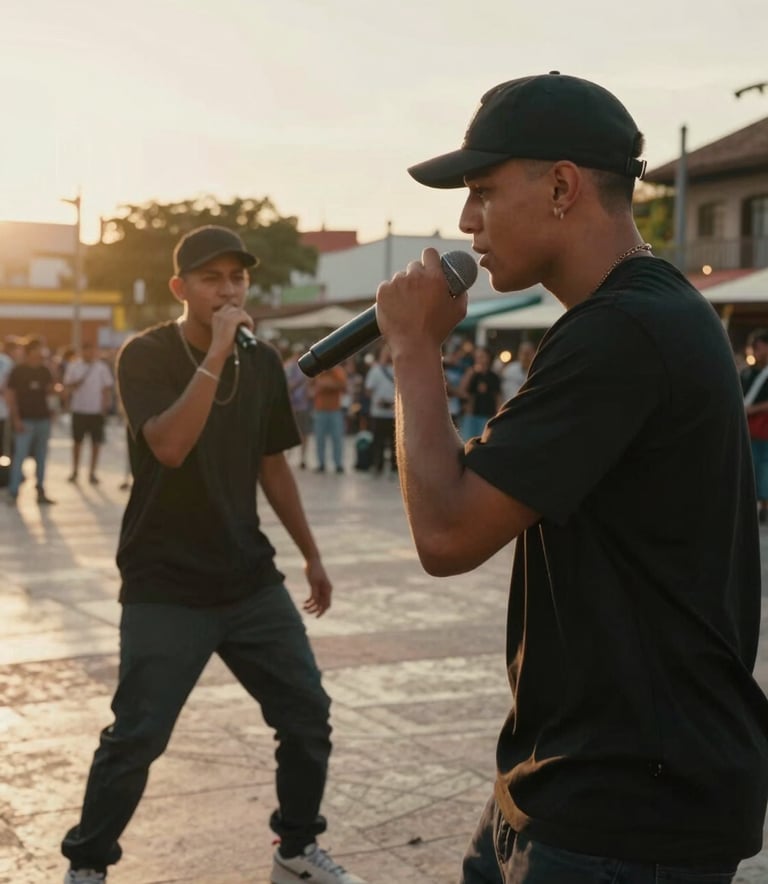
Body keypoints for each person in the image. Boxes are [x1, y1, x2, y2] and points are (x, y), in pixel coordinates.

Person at [374, 72, 768, 883]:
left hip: (627, 810)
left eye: (483, 190)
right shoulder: (635, 315)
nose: (465, 222)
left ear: (561, 186)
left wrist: (414, 349)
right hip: (570, 779)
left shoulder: (624, 331)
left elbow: (447, 534)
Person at [60, 226, 366, 884]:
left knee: (307, 714)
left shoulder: (259, 362)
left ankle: (295, 846)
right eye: (211, 279)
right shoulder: (144, 356)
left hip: (247, 579)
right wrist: (217, 351)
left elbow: (272, 465)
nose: (228, 291)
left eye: (237, 279)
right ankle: (87, 864)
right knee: (137, 736)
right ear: (181, 289)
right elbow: (169, 447)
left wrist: (311, 554)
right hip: (164, 582)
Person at [5, 336, 57, 505]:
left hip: (43, 419)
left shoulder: (44, 370)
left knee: (41, 457)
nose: (41, 352)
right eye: (39, 349)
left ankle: (40, 490)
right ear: (31, 351)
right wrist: (16, 419)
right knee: (20, 456)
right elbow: (10, 396)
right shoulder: (18, 371)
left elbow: (51, 392)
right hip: (25, 420)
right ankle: (13, 492)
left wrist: (53, 412)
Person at [63, 342, 115, 485]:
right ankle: (75, 470)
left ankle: (92, 472)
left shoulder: (101, 368)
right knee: (77, 442)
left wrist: (105, 407)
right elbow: (67, 386)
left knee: (96, 442)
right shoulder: (74, 366)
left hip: (96, 411)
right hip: (79, 410)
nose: (91, 353)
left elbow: (106, 389)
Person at [741, 328, 768, 523]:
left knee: (763, 467)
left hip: (763, 427)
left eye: (758, 347)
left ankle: (765, 507)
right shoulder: (749, 372)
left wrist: (753, 409)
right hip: (750, 428)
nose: (755, 351)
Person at [364, 343, 397, 476]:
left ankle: (395, 468)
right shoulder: (375, 370)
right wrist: (380, 401)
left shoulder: (398, 368)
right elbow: (368, 390)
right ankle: (378, 465)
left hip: (394, 413)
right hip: (378, 413)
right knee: (378, 441)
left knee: (395, 443)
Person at [458, 345, 501, 440]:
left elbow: (497, 397)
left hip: (488, 415)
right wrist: (471, 372)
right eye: (477, 357)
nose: (479, 359)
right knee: (467, 441)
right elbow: (461, 390)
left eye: (482, 356)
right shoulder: (471, 373)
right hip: (472, 414)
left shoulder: (494, 376)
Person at [310, 365, 347, 473]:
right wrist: (329, 385)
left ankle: (338, 464)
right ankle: (321, 463)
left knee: (337, 438)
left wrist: (325, 385)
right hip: (320, 410)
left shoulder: (338, 371)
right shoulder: (318, 371)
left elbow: (343, 385)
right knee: (319, 438)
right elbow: (312, 386)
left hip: (335, 410)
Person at [284, 341, 313, 469]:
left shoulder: (308, 366)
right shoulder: (289, 367)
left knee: (304, 432)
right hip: (291, 405)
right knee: (290, 431)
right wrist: (301, 382)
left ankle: (302, 458)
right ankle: (287, 458)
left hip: (303, 405)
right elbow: (287, 386)